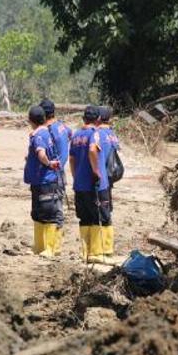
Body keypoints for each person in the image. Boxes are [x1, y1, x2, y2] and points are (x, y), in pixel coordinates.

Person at [69, 105, 112, 264]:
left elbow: (72, 159)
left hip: (80, 185)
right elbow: (93, 150)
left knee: (84, 218)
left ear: (83, 118)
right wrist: (96, 171)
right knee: (99, 216)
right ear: (98, 120)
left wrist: (75, 176)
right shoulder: (95, 134)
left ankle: (85, 252)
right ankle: (97, 252)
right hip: (95, 185)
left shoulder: (76, 135)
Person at [24, 105, 62, 256]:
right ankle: (39, 246)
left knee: (48, 213)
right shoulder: (43, 133)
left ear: (30, 120)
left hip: (46, 180)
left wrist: (48, 163)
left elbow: (41, 153)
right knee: (38, 213)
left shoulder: (39, 135)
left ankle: (50, 248)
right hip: (38, 181)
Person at [39, 98, 73, 229]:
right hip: (60, 170)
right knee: (58, 200)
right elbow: (70, 135)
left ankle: (56, 237)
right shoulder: (62, 126)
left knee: (54, 205)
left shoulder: (47, 130)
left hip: (52, 171)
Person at [98, 106, 120, 215]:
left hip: (102, 171)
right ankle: (108, 210)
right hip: (112, 170)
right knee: (108, 193)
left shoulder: (98, 133)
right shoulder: (112, 133)